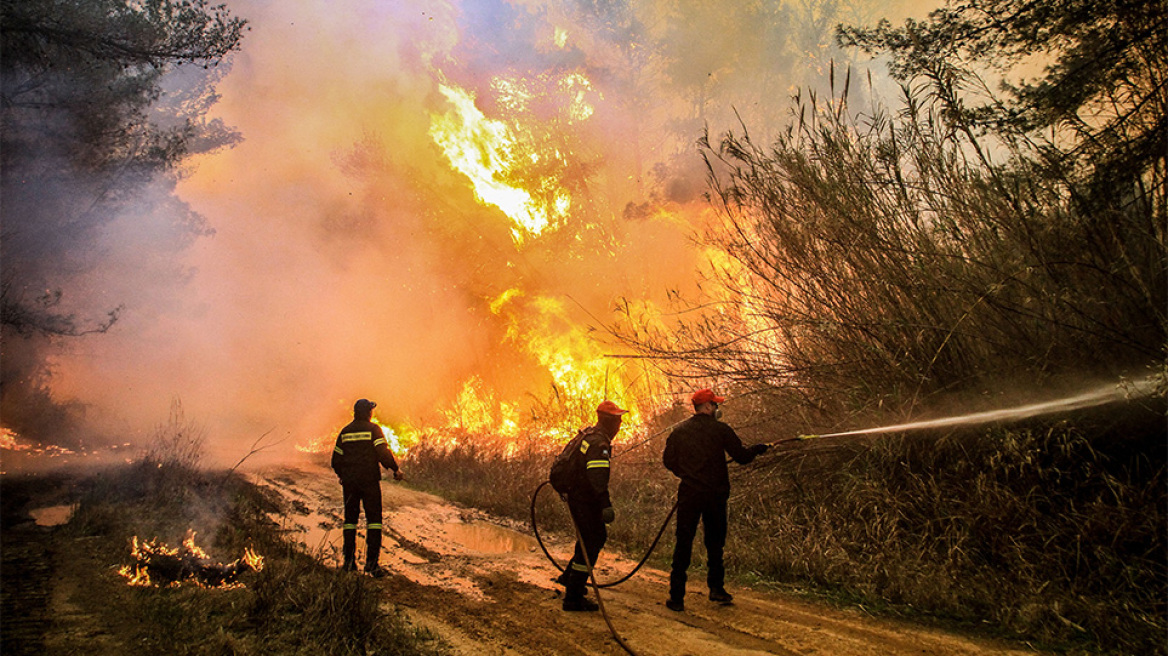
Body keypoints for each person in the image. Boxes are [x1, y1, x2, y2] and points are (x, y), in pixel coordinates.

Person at [662, 389, 768, 611]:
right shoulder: (721, 430)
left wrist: (686, 474)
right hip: (715, 495)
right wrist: (758, 449)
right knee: (715, 543)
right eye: (715, 405)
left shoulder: (680, 431)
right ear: (708, 407)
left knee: (683, 542)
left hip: (689, 494)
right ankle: (717, 589)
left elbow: (668, 461)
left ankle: (676, 596)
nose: (718, 409)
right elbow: (741, 457)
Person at [560, 399, 627, 611]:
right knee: (593, 540)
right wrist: (605, 505)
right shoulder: (598, 443)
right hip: (584, 499)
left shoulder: (589, 435)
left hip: (577, 495)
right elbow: (597, 479)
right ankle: (573, 597)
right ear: (609, 421)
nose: (620, 424)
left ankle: (570, 578)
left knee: (587, 539)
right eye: (618, 420)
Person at [330, 398, 404, 577]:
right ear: (368, 413)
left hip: (350, 484)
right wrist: (395, 469)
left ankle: (349, 563)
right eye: (371, 410)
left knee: (350, 521)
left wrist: (343, 475)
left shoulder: (345, 432)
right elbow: (382, 453)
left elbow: (335, 460)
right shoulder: (373, 430)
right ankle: (372, 564)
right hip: (369, 481)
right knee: (374, 521)